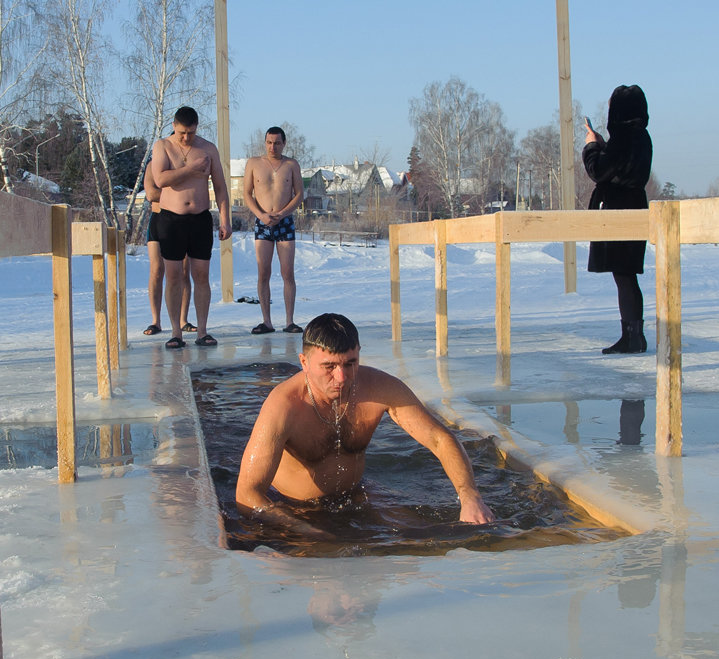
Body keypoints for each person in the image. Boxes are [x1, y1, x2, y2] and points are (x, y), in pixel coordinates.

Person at [235, 313, 496, 536]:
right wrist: (305, 530)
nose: (342, 377)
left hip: (355, 496)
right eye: (329, 367)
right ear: (304, 362)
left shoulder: (379, 387)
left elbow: (440, 439)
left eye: (351, 364)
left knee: (425, 536)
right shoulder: (284, 405)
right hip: (294, 508)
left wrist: (470, 496)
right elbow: (248, 494)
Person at [149, 105, 232, 349]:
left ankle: (202, 331)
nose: (187, 138)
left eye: (192, 133)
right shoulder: (162, 146)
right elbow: (161, 179)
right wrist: (191, 169)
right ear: (174, 126)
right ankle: (176, 332)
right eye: (183, 132)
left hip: (200, 218)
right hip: (171, 219)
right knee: (174, 276)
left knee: (201, 275)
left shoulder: (208, 149)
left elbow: (220, 187)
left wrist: (225, 219)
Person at [583, 84, 653, 354]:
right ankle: (633, 335)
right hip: (634, 206)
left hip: (619, 209)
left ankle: (633, 337)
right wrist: (604, 146)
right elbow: (618, 165)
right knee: (626, 274)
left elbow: (600, 170)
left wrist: (591, 148)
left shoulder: (624, 137)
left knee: (624, 275)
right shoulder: (640, 137)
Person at [244, 126, 304, 335]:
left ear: (284, 143)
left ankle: (289, 321)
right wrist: (261, 215)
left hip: (284, 222)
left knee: (287, 272)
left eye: (277, 143)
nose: (272, 147)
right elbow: (247, 194)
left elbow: (299, 194)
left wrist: (284, 212)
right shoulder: (254, 163)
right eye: (269, 142)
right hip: (263, 223)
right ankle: (266, 321)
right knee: (264, 272)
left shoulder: (291, 165)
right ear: (265, 143)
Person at [142, 152, 195, 336]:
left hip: (182, 220)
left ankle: (183, 320)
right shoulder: (152, 167)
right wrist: (176, 193)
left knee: (183, 271)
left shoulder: (183, 165)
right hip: (158, 219)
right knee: (157, 270)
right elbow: (151, 194)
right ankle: (156, 321)